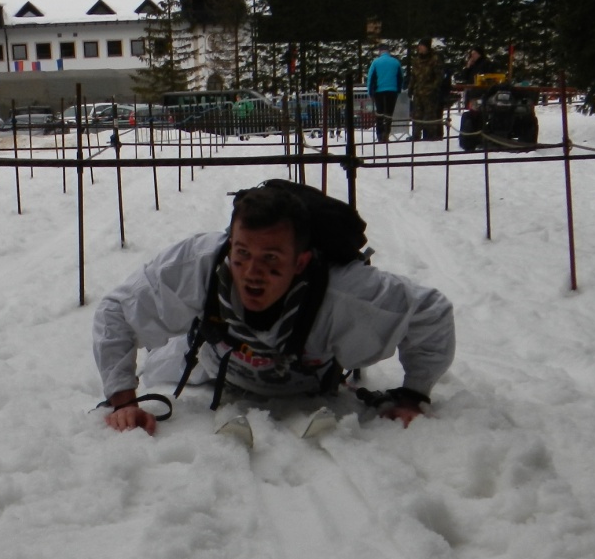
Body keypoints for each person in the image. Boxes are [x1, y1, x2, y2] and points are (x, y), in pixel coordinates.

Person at [94, 181, 455, 435]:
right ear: (230, 244)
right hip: (213, 370)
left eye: (271, 259)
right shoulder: (198, 263)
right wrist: (124, 400)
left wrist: (413, 394)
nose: (253, 273)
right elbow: (116, 311)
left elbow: (431, 312)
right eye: (243, 254)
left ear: (300, 262)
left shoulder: (346, 292)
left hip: (311, 385)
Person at [365, 42, 405, 142]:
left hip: (379, 91)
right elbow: (401, 77)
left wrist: (370, 91)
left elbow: (370, 78)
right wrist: (399, 89)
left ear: (380, 51)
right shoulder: (396, 62)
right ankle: (386, 133)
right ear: (388, 51)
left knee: (380, 113)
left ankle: (380, 134)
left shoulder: (376, 62)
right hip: (392, 91)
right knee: (389, 114)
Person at [409, 39, 444, 141]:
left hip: (429, 92)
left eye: (422, 46)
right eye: (419, 46)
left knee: (430, 115)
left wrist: (433, 88)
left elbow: (439, 76)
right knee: (416, 114)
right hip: (418, 92)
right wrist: (411, 88)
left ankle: (430, 135)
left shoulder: (435, 59)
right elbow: (413, 76)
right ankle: (416, 135)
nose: (419, 48)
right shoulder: (416, 60)